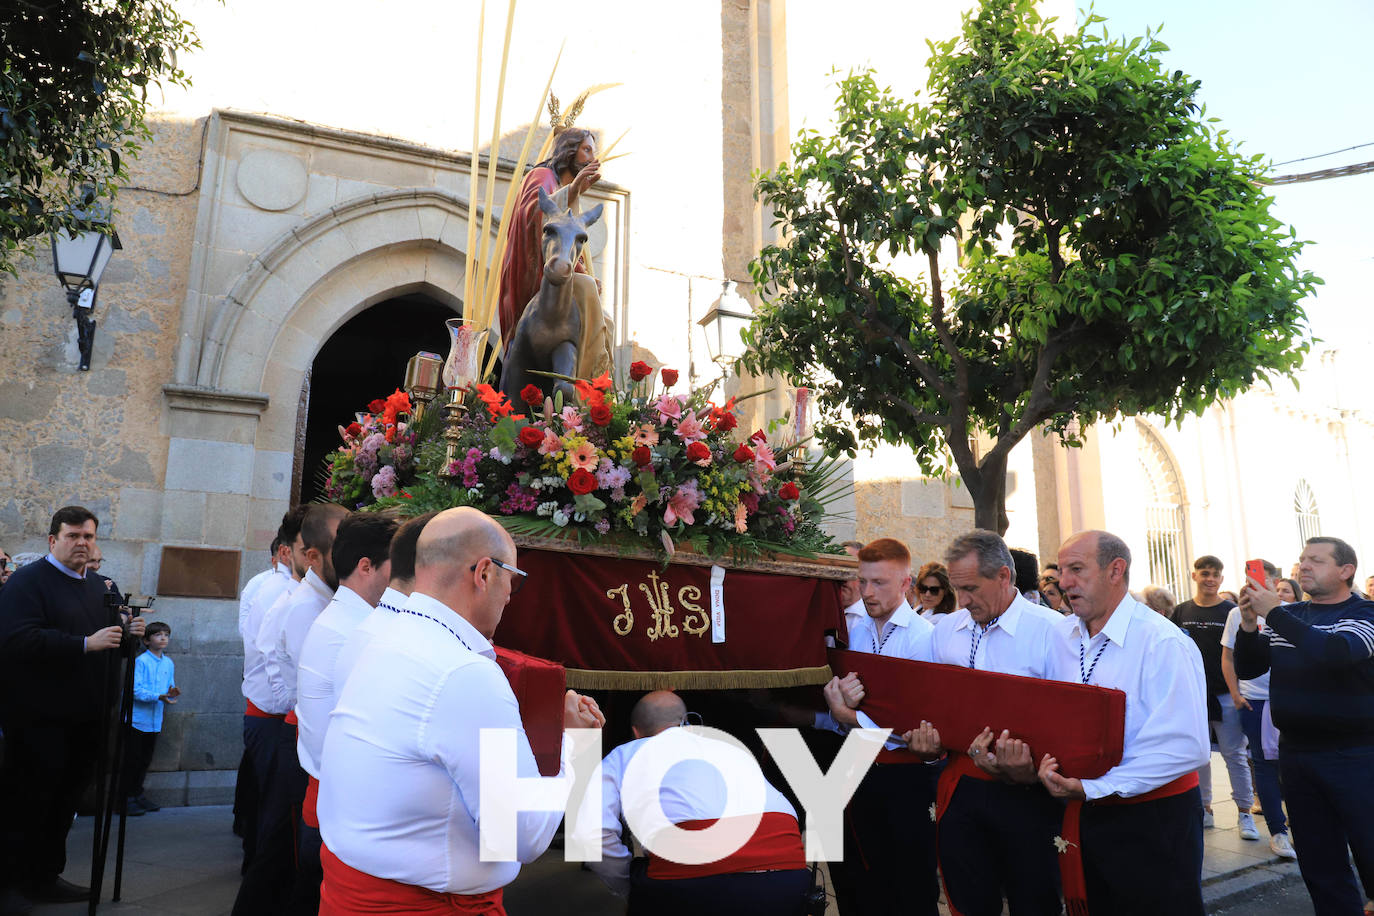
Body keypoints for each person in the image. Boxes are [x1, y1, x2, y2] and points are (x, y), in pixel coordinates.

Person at [316, 507, 605, 913]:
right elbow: (521, 836)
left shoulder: (376, 634)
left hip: (351, 887)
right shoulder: (465, 673)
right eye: (513, 580)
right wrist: (571, 745)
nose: (509, 594)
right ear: (484, 573)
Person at [1038, 530, 1209, 916]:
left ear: (1116, 570)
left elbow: (1186, 745)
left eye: (1077, 569)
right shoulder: (1060, 635)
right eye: (1062, 571)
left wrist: (1096, 786)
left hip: (1153, 820)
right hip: (1084, 807)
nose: (1064, 582)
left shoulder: (1163, 642)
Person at [902, 530, 1065, 916]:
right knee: (968, 899)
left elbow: (1065, 719)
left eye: (972, 588)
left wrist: (1028, 765)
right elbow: (930, 704)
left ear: (1005, 577)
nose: (964, 600)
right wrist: (927, 745)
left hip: (1030, 797)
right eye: (957, 589)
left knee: (1035, 901)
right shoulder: (945, 630)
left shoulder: (1053, 631)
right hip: (962, 789)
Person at [0, 506, 147, 910]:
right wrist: (85, 643)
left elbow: (116, 648)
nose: (82, 543)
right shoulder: (29, 583)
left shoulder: (103, 586)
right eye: (73, 536)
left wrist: (131, 635)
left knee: (65, 803)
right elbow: (16, 641)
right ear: (53, 540)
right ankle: (11, 883)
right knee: (28, 801)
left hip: (89, 718)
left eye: (88, 537)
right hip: (39, 719)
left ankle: (46, 875)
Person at [1234, 536, 1374, 915]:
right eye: (1301, 560)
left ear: (1346, 571)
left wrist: (1275, 612)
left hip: (1356, 756)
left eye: (1316, 560)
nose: (1304, 566)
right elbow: (1249, 668)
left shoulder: (1366, 613)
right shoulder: (1293, 617)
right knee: (1320, 864)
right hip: (1297, 756)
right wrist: (1249, 625)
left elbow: (1338, 653)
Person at [580, 690, 809, 914]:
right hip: (788, 877)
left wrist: (629, 888)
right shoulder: (731, 749)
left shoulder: (623, 753)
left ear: (636, 732)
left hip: (688, 884)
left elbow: (592, 832)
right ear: (687, 722)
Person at [235, 503, 347, 916]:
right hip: (279, 722)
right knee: (278, 838)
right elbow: (281, 675)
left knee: (281, 838)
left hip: (291, 724)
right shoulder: (288, 598)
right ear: (300, 551)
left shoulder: (319, 599)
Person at [818, 537, 939, 916]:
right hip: (855, 769)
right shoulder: (851, 629)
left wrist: (848, 716)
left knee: (911, 884)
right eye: (864, 581)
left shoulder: (925, 638)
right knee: (860, 877)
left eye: (880, 583)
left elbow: (915, 725)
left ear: (907, 584)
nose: (868, 592)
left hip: (905, 778)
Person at [292, 513, 399, 914]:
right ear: (366, 566)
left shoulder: (350, 619)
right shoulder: (357, 631)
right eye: (395, 566)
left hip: (330, 803)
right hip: (339, 812)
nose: (401, 578)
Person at [496, 127, 612, 379]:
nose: (593, 158)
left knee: (606, 320)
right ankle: (584, 380)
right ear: (569, 150)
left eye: (594, 151)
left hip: (556, 281)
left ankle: (595, 382)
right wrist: (572, 191)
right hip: (535, 282)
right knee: (586, 289)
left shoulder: (561, 186)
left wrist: (580, 269)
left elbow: (566, 242)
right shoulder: (542, 175)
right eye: (586, 149)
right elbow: (538, 217)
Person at [235, 507, 307, 871]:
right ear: (286, 553)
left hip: (274, 714)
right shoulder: (278, 592)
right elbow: (271, 656)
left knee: (269, 807)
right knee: (273, 812)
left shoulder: (287, 590)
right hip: (273, 715)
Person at [1171, 555, 1255, 836]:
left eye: (1215, 574)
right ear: (1194, 575)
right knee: (1199, 755)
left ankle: (1245, 813)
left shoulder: (1232, 611)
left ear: (1222, 579)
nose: (1210, 579)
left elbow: (1241, 653)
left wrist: (1237, 691)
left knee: (1235, 755)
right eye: (1204, 573)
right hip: (1192, 696)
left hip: (1225, 695)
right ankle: (1204, 808)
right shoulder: (1181, 611)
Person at [1218, 602, 1294, 859]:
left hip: (1289, 698)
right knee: (1264, 764)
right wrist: (1235, 694)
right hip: (1257, 701)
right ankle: (1277, 831)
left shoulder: (1292, 611)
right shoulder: (1238, 613)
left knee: (1294, 765)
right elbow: (1228, 656)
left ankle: (1303, 826)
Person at [332, 510, 437, 693]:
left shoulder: (356, 619)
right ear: (365, 567)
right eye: (394, 560)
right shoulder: (360, 628)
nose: (398, 568)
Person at [122, 621, 178, 817]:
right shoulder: (141, 662)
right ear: (146, 640)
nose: (163, 638)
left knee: (145, 760)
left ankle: (137, 794)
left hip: (155, 720)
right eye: (158, 635)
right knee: (132, 760)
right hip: (137, 720)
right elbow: (134, 690)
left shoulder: (168, 663)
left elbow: (170, 686)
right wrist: (158, 696)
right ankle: (125, 799)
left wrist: (171, 695)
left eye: (166, 635)